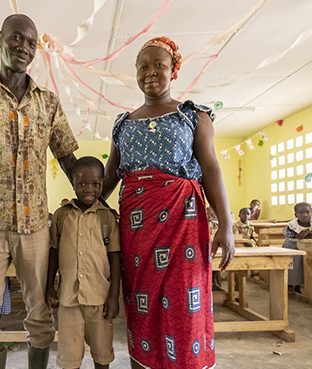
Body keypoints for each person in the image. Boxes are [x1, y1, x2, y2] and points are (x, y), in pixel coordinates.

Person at [0, 13, 79, 368]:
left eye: (31, 42)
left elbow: (69, 160)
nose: (23, 47)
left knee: (39, 311)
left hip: (36, 226)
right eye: (16, 38)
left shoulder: (48, 103)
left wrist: (96, 198)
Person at [102, 36, 234, 369]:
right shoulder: (122, 124)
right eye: (142, 66)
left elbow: (211, 168)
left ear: (174, 70)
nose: (150, 72)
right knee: (141, 305)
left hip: (184, 224)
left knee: (182, 302)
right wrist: (79, 203)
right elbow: (108, 178)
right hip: (137, 228)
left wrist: (226, 224)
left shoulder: (193, 116)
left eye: (159, 64)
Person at [46, 157, 121, 369]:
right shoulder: (61, 216)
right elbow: (54, 252)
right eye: (82, 184)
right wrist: (49, 287)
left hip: (100, 300)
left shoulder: (107, 218)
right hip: (68, 300)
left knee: (102, 355)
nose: (89, 189)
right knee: (69, 359)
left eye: (95, 184)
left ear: (102, 185)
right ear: (73, 184)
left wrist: (114, 296)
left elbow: (115, 258)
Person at [282, 202, 312, 294]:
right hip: (292, 246)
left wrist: (308, 232)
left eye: (308, 212)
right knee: (296, 259)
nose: (305, 215)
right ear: (296, 215)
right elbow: (296, 237)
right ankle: (292, 285)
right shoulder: (292, 225)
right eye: (301, 213)